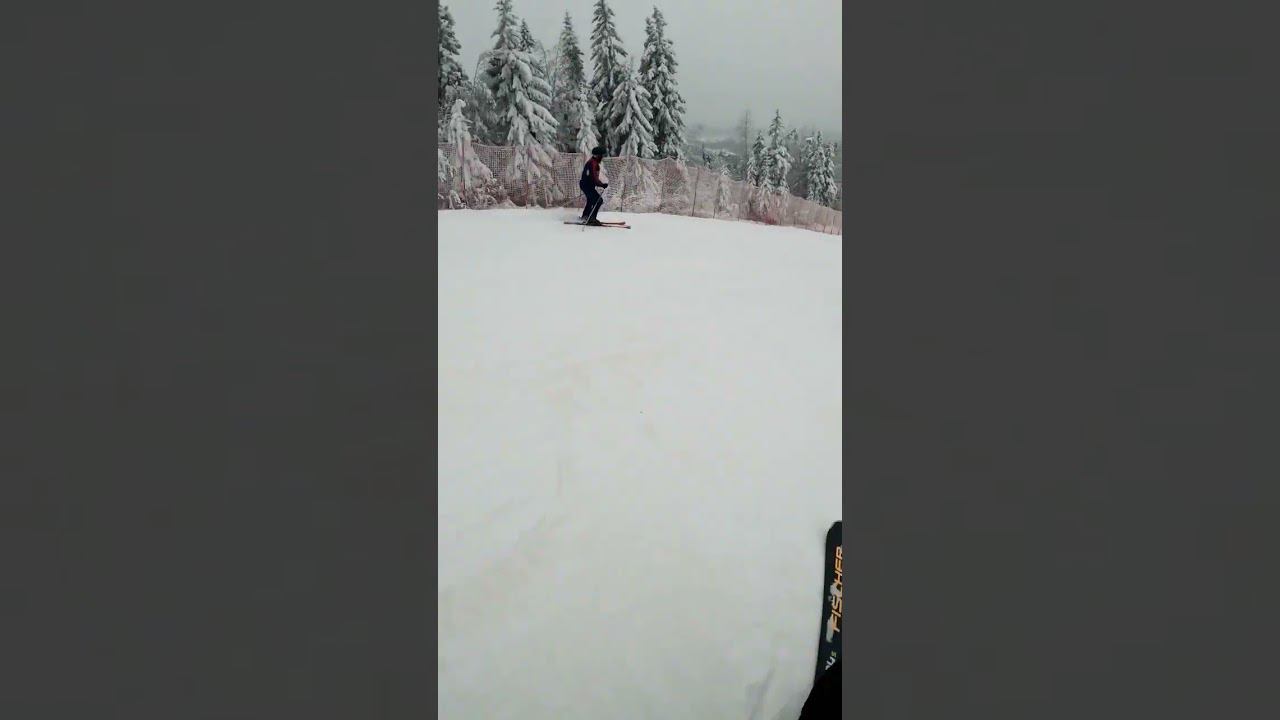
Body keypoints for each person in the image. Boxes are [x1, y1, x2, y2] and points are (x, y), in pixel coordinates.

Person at [579, 146, 609, 225]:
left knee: (591, 200)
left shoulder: (592, 162)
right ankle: (592, 218)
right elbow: (594, 178)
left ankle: (586, 216)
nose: (602, 157)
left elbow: (592, 177)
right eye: (602, 155)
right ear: (598, 155)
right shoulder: (593, 163)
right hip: (587, 185)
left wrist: (600, 184)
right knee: (598, 200)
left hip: (586, 185)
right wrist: (602, 185)